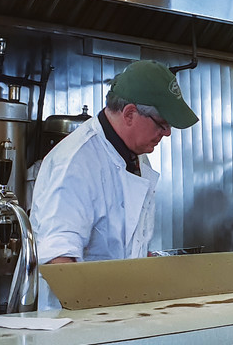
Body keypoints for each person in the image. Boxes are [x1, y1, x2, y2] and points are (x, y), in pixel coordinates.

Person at [30, 60, 198, 308]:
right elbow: (59, 260)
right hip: (78, 323)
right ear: (130, 113)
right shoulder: (76, 162)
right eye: (162, 123)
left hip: (122, 313)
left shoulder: (136, 156)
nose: (167, 133)